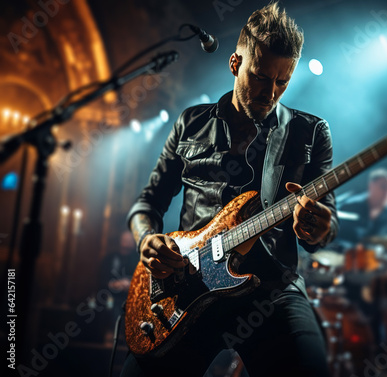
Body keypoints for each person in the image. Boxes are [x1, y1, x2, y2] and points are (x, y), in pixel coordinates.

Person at [121, 3, 338, 377]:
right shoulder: (191, 122)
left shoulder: (311, 132)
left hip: (272, 290)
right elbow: (148, 202)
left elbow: (326, 227)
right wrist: (146, 241)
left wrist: (319, 226)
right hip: (186, 290)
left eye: (282, 82)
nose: (271, 92)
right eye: (260, 76)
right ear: (235, 64)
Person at [331, 168, 387, 251]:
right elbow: (333, 236)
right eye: (383, 187)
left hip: (377, 261)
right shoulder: (349, 205)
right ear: (371, 185)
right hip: (345, 257)